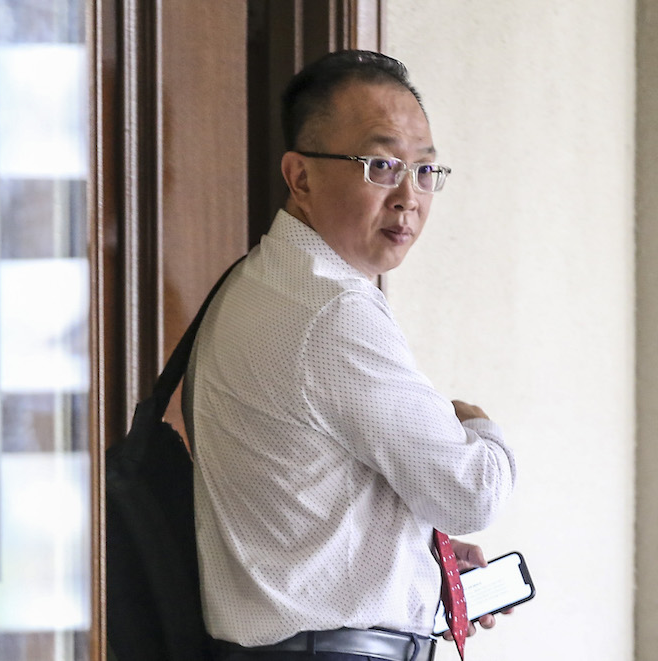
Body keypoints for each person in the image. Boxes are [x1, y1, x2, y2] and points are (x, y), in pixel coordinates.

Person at [182, 50, 517, 661]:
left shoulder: (262, 281)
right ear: (301, 176)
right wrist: (475, 424)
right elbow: (473, 495)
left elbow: (307, 499)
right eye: (382, 165)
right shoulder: (330, 309)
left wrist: (413, 553)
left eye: (424, 171)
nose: (409, 197)